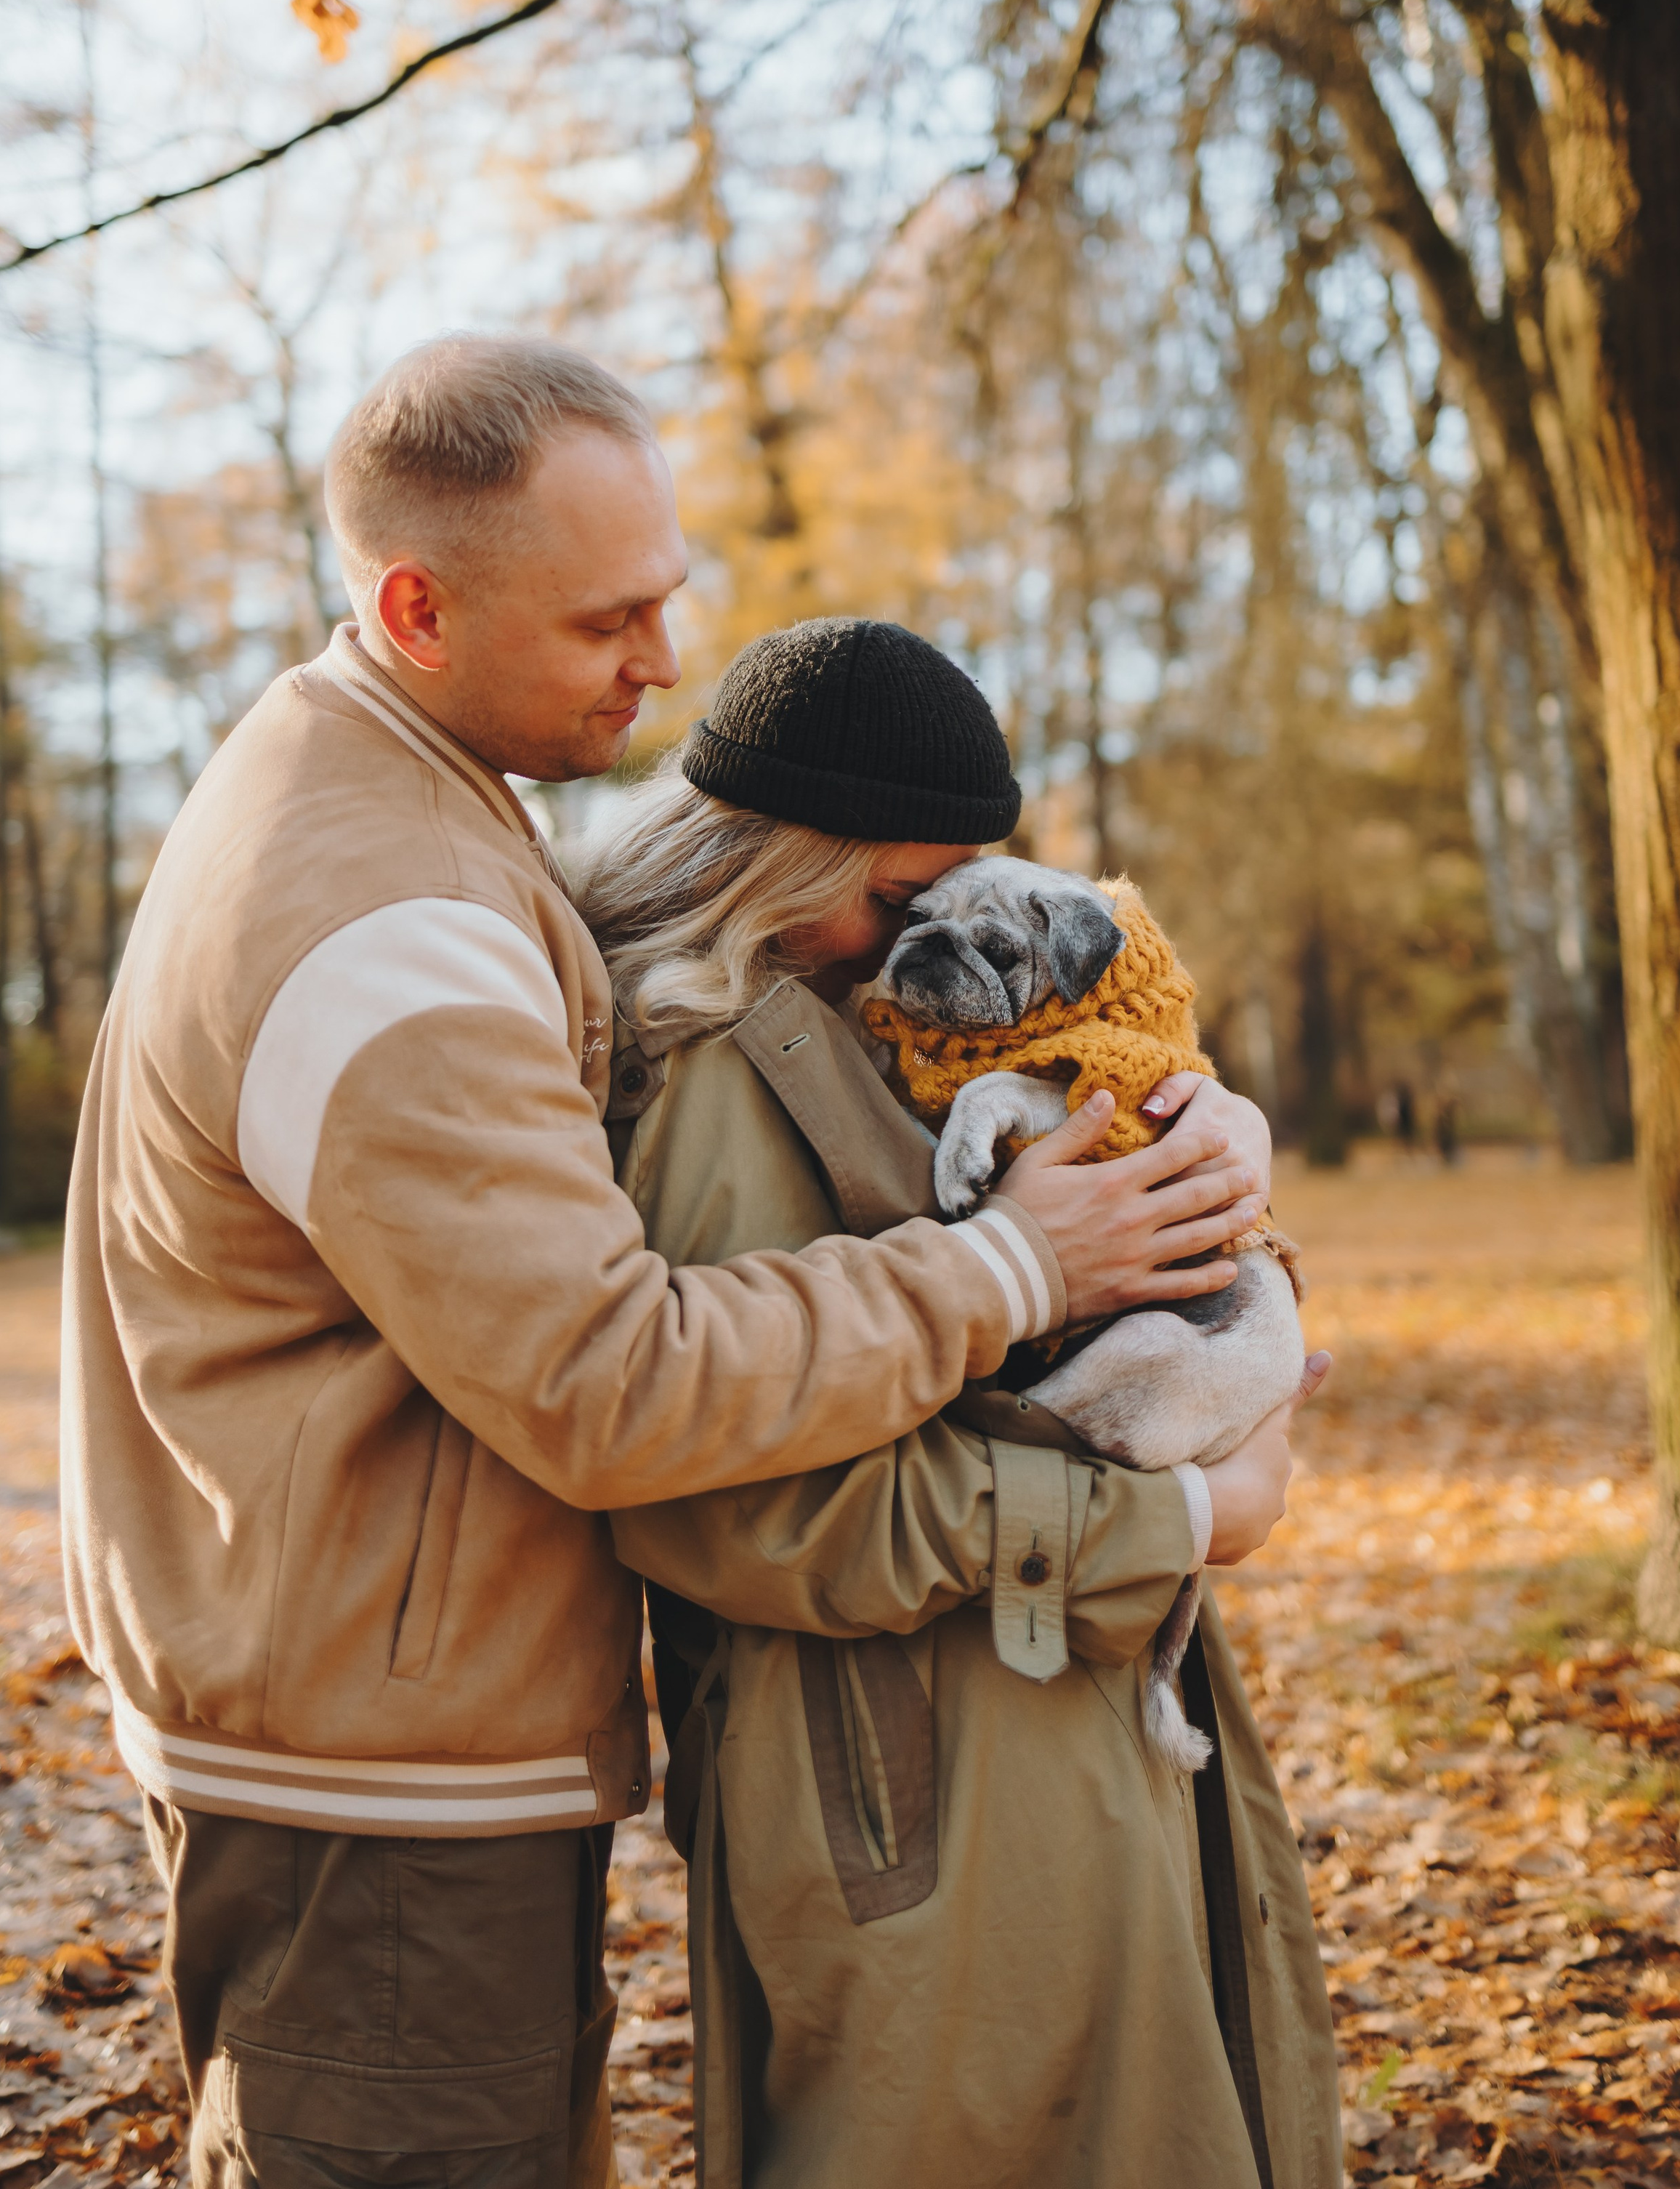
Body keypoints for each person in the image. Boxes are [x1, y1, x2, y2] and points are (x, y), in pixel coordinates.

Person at [60, 339, 1277, 2189]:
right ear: (416, 605)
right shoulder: (392, 924)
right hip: (365, 1779)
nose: (657, 656)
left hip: (390, 1732)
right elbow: (614, 1391)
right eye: (607, 616)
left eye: (666, 596)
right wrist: (1026, 1284)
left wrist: (1184, 1155)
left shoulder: (417, 814)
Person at [576, 619, 1341, 2189]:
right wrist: (1179, 1516)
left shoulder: (864, 1020)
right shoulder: (711, 1070)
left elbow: (1063, 1269)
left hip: (1031, 1705)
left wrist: (1211, 1152)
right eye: (889, 902)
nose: (907, 944)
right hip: (906, 1774)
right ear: (780, 866)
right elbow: (735, 1499)